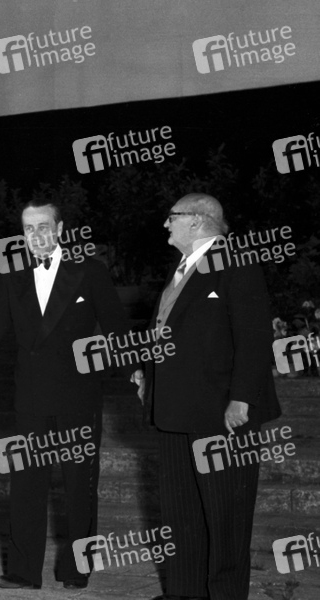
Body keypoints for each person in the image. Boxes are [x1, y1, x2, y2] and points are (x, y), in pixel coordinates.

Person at [0, 200, 140, 590]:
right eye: (29, 229)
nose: (36, 235)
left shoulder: (89, 272)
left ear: (60, 229)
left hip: (78, 395)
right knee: (25, 486)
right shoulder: (12, 278)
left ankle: (76, 569)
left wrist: (135, 372)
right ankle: (23, 571)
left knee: (80, 486)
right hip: (30, 397)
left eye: (44, 226)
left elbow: (116, 326)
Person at [138, 193, 281, 600]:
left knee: (226, 516)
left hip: (222, 414)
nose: (166, 225)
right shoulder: (181, 268)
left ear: (198, 221)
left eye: (172, 217)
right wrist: (147, 375)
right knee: (181, 513)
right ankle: (184, 592)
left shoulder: (237, 262)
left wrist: (242, 399)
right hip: (174, 411)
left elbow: (254, 338)